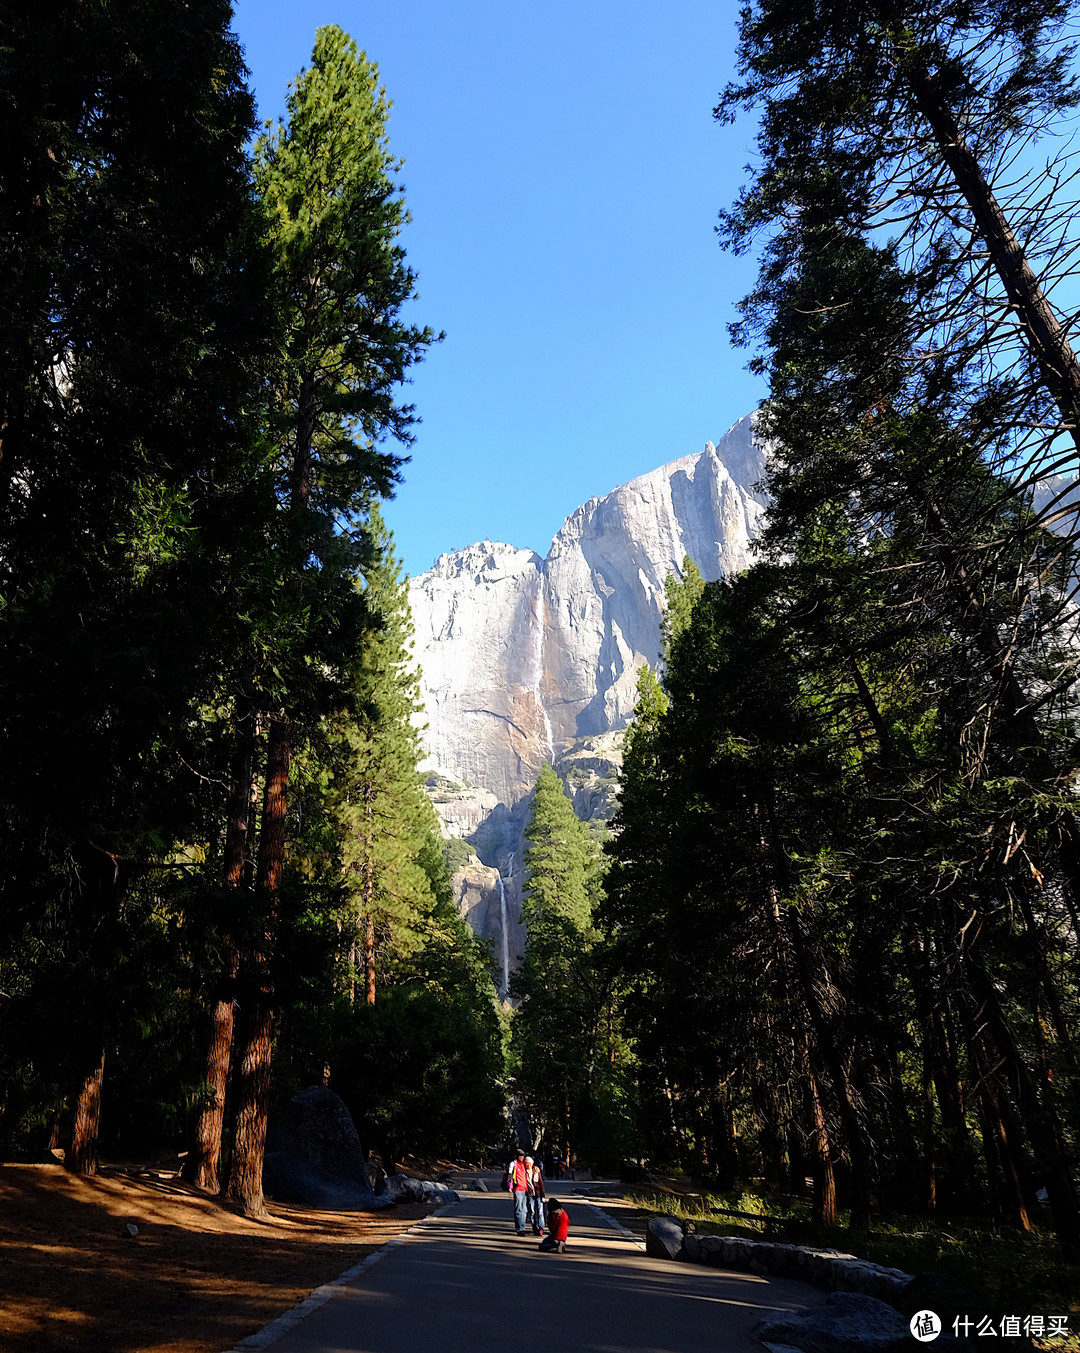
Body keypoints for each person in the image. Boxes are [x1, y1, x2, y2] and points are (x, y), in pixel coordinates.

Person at [506, 1148, 530, 1234]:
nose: (522, 1157)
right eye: (521, 1156)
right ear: (517, 1156)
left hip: (525, 1189)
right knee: (519, 1209)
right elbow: (510, 1175)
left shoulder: (524, 1164)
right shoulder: (513, 1164)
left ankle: (522, 1226)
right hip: (517, 1188)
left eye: (523, 1156)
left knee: (525, 1210)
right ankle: (519, 1229)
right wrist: (510, 1186)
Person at [526, 1155, 545, 1235]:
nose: (528, 1165)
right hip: (530, 1194)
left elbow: (541, 1183)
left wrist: (543, 1195)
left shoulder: (536, 1170)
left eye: (530, 1163)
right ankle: (534, 1227)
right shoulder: (524, 1172)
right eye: (527, 1163)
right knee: (532, 1212)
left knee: (540, 1212)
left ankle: (541, 1227)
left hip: (538, 1193)